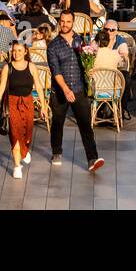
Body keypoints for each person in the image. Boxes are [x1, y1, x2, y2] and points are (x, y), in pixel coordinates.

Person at [46, 11, 104, 173]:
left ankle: (92, 158)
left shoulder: (81, 41)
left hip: (79, 89)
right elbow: (55, 71)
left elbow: (87, 63)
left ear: (73, 22)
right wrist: (65, 89)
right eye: (62, 21)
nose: (65, 24)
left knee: (86, 124)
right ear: (59, 22)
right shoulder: (53, 45)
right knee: (57, 123)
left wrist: (89, 70)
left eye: (68, 21)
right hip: (60, 90)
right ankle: (56, 152)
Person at [0, 40, 47, 178]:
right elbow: (1, 88)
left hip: (28, 103)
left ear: (25, 51)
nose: (16, 53)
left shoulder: (31, 66)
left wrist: (43, 107)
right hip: (12, 103)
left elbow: (38, 87)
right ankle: (17, 166)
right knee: (15, 134)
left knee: (27, 133)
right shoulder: (8, 68)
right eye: (14, 50)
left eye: (19, 50)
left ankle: (25, 151)